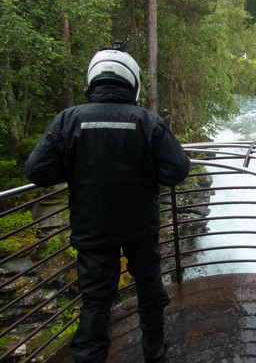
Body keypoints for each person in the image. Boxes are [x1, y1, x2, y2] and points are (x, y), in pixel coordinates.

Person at [25, 45, 190, 362]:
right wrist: (146, 170)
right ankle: (154, 351)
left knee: (96, 301)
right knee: (149, 286)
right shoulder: (147, 122)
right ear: (132, 82)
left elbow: (37, 171)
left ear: (93, 80)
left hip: (92, 228)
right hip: (139, 226)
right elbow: (177, 170)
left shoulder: (68, 120)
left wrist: (75, 167)